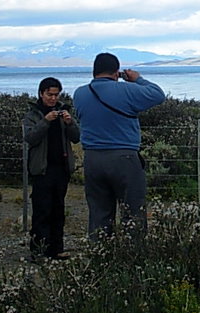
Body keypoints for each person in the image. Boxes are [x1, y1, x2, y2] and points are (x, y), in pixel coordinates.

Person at [73, 53, 165, 239]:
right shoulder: (126, 90)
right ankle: (132, 259)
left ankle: (99, 256)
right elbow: (158, 95)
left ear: (94, 71)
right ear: (117, 72)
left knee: (99, 213)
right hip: (124, 158)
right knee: (133, 213)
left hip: (92, 159)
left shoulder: (80, 94)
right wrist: (137, 79)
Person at [23, 77, 80, 260]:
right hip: (42, 169)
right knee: (41, 210)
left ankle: (57, 248)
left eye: (56, 95)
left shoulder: (64, 112)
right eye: (49, 95)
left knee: (58, 209)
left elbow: (76, 137)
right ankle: (39, 250)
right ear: (41, 94)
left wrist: (70, 123)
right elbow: (30, 138)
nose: (53, 99)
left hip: (61, 169)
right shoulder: (33, 114)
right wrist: (45, 121)